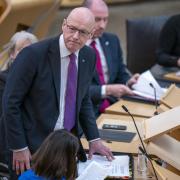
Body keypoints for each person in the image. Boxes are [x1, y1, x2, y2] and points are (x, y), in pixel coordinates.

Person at [2, 7, 113, 179]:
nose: (75, 36)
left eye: (83, 32)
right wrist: (19, 147)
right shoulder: (33, 54)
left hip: (66, 150)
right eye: (72, 28)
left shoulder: (88, 56)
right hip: (31, 149)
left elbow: (83, 100)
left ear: (91, 35)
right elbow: (10, 103)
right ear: (63, 25)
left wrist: (94, 138)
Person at [83, 0, 139, 116]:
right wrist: (107, 90)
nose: (102, 25)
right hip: (87, 111)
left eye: (105, 19)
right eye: (97, 19)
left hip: (115, 104)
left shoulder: (112, 40)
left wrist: (128, 81)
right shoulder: (73, 46)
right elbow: (72, 90)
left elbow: (120, 72)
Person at [0, 31, 38, 178]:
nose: (27, 57)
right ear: (12, 54)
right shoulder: (2, 81)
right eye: (21, 51)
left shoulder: (39, 79)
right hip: (13, 148)